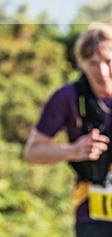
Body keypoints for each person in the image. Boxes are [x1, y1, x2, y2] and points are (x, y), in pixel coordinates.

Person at [24, 24, 112, 237]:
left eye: (108, 62)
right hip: (93, 214)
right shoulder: (66, 98)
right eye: (93, 63)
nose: (102, 71)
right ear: (79, 62)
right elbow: (32, 153)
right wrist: (73, 151)